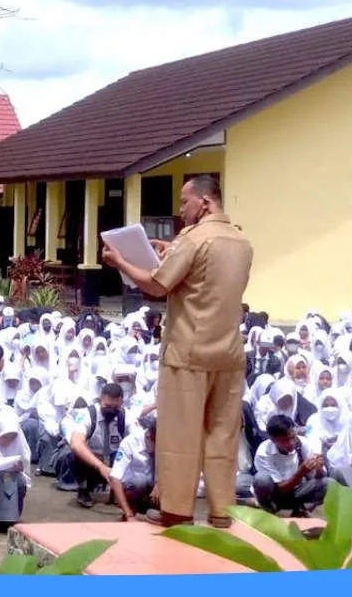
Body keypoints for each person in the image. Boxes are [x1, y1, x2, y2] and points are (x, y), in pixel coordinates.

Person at [101, 174, 253, 528]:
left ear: (205, 202)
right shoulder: (242, 241)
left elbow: (157, 285)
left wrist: (121, 261)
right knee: (222, 435)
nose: (181, 209)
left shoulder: (193, 239)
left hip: (189, 351)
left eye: (185, 202)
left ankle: (176, 511)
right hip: (229, 351)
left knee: (181, 435)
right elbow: (207, 281)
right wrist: (171, 252)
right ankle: (221, 512)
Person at [58, 382, 126, 509]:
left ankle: (121, 492)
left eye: (116, 407)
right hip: (93, 461)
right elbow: (76, 444)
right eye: (108, 406)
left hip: (115, 459)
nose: (111, 410)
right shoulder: (87, 415)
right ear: (100, 400)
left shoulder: (125, 416)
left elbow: (139, 440)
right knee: (72, 453)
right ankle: (83, 488)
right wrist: (101, 466)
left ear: (122, 403)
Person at [252, 415, 330, 516]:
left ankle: (301, 508)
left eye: (293, 437)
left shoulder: (302, 444)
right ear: (273, 440)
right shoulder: (264, 452)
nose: (291, 443)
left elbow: (317, 478)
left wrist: (318, 468)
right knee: (262, 479)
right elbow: (281, 489)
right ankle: (268, 508)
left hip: (297, 491)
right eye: (284, 441)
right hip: (275, 494)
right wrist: (300, 472)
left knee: (329, 483)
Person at [108, 415, 157, 521]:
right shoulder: (130, 442)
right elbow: (115, 477)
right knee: (140, 481)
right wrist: (128, 514)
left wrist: (159, 485)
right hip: (134, 487)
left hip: (154, 488)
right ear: (148, 435)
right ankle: (130, 511)